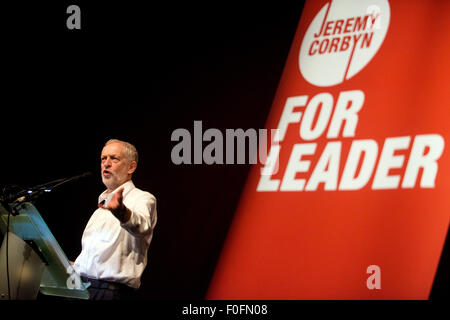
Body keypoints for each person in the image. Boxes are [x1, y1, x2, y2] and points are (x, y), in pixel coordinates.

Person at [73, 139, 157, 300]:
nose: (106, 163)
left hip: (110, 293)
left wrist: (121, 212)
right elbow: (99, 254)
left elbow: (142, 226)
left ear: (131, 167)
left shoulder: (143, 198)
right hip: (80, 287)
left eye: (114, 158)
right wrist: (78, 265)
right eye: (103, 159)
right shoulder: (100, 208)